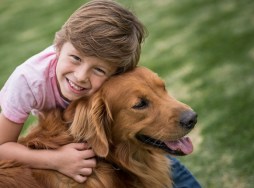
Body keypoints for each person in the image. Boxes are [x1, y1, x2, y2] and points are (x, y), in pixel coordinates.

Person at [0, 0, 201, 187]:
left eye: (99, 69)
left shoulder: (112, 79)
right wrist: (56, 159)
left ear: (116, 71)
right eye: (76, 58)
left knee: (164, 158)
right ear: (59, 48)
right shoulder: (28, 80)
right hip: (61, 140)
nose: (80, 76)